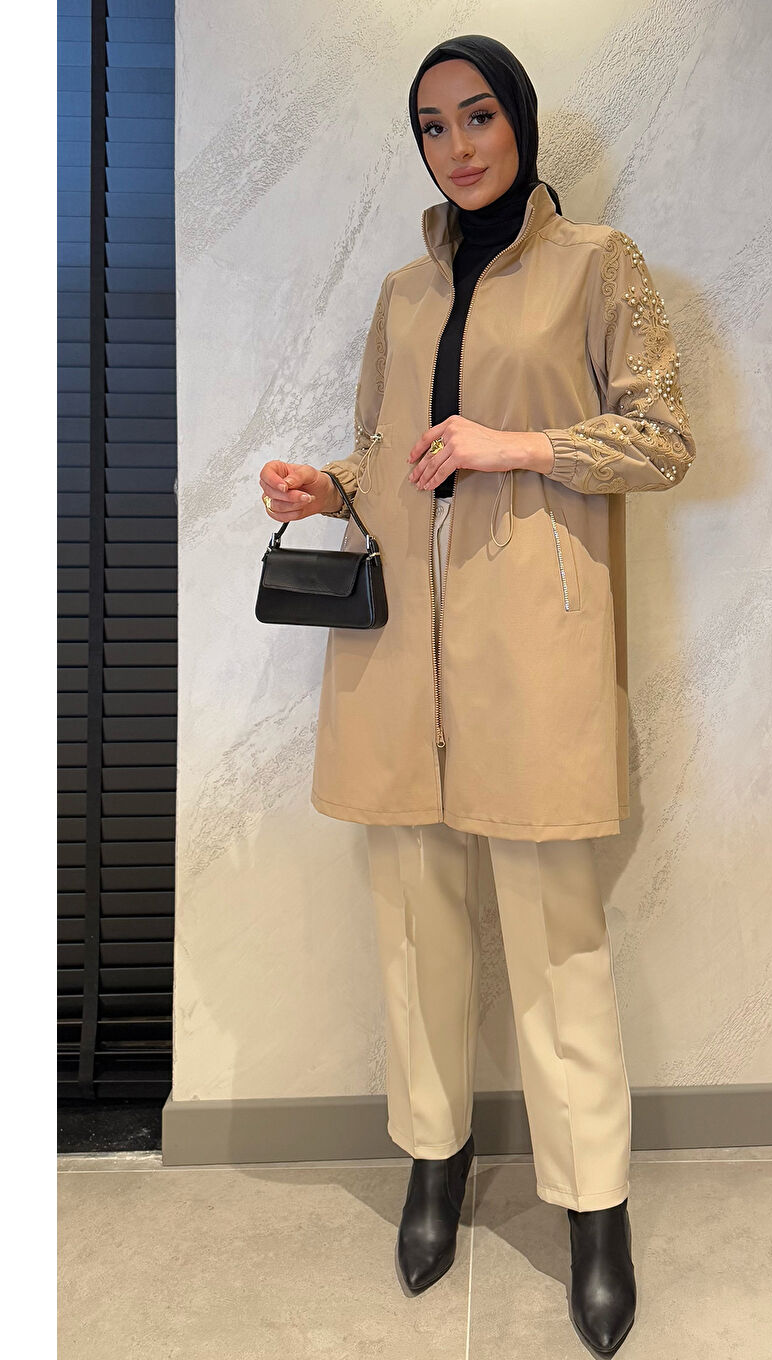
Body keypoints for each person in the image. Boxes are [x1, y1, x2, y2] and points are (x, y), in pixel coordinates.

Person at [258, 34, 696, 1357]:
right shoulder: (403, 292)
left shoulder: (597, 266)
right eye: (433, 127)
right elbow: (394, 453)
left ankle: (595, 1211)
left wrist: (519, 444)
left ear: (521, 121)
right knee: (413, 927)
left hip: (532, 644)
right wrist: (329, 485)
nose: (457, 146)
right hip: (403, 653)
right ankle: (434, 1162)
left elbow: (664, 436)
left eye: (479, 116)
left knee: (558, 940)